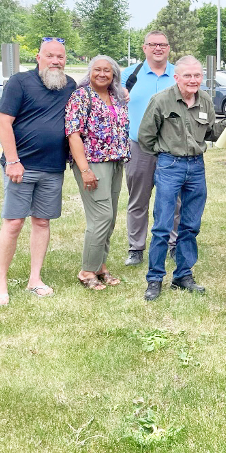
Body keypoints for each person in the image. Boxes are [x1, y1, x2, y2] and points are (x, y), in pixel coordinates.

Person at [138, 56, 226, 300]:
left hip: (196, 167)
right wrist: (164, 157)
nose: (193, 80)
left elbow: (212, 132)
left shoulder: (204, 99)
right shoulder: (161, 101)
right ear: (177, 77)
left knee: (190, 226)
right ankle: (155, 279)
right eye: (188, 76)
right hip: (170, 165)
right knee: (162, 226)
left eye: (197, 76)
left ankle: (183, 275)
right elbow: (145, 137)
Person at [0, 37, 76, 306]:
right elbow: (3, 121)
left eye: (60, 57)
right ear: (38, 57)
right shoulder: (19, 83)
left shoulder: (69, 85)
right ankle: (0, 283)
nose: (55, 61)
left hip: (52, 168)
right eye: (49, 55)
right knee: (14, 222)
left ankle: (34, 279)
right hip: (21, 166)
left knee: (42, 222)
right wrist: (12, 161)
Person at [65, 55, 131, 290]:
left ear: (114, 74)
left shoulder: (116, 97)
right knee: (100, 216)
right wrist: (84, 170)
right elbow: (73, 134)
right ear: (90, 72)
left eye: (107, 71)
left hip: (115, 162)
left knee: (110, 217)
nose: (102, 74)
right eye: (97, 70)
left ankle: (101, 265)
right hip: (92, 163)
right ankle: (87, 271)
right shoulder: (81, 96)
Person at [122, 30, 177, 267]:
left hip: (171, 148)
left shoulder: (179, 74)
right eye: (152, 44)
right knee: (138, 199)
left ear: (168, 48)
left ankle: (174, 245)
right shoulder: (128, 75)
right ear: (144, 48)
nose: (158, 48)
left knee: (174, 200)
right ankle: (136, 248)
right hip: (138, 147)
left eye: (162, 45)